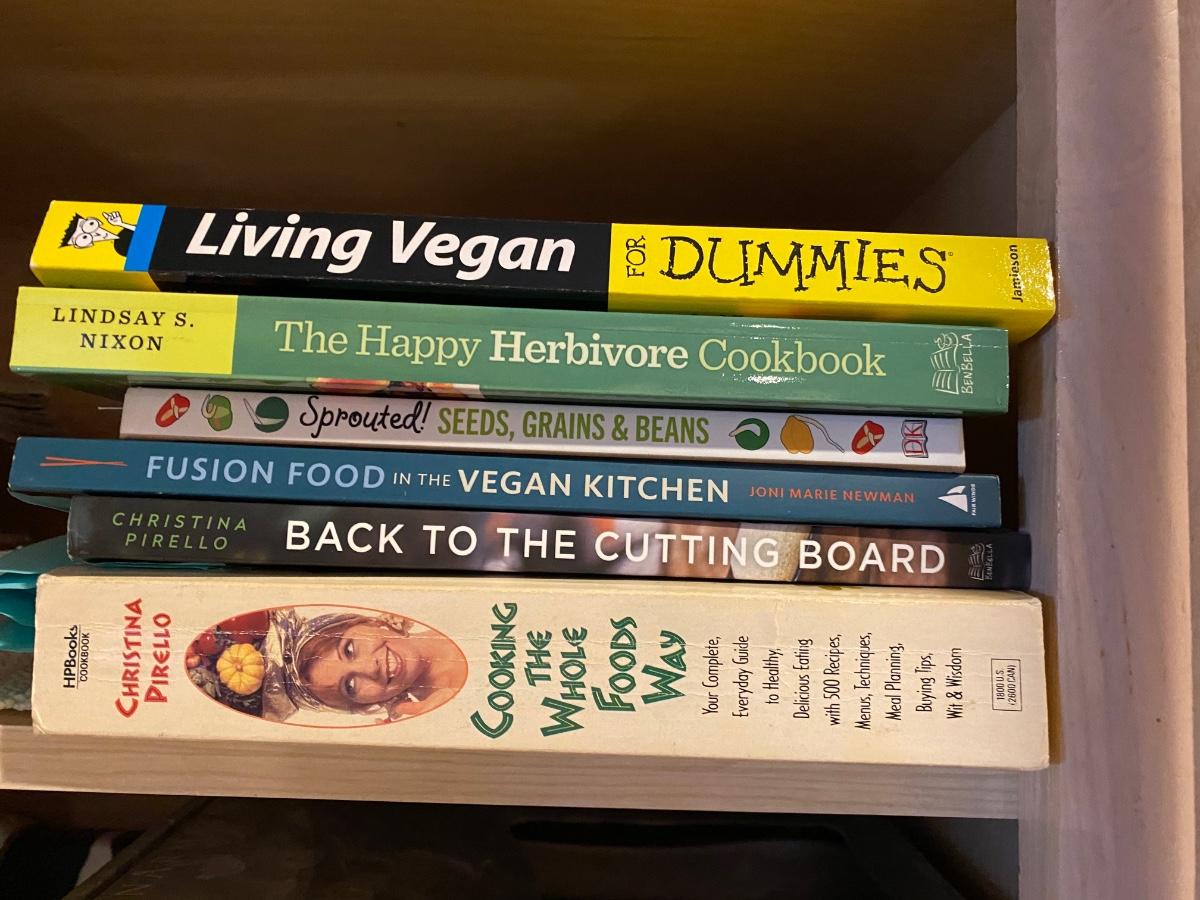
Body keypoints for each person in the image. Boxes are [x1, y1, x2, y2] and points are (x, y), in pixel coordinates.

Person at [263, 609, 468, 724]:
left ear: (369, 623)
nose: (370, 668)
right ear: (366, 704)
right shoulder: (446, 722)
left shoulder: (456, 604)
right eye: (350, 686)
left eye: (349, 649)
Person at [60, 210, 137, 257]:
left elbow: (143, 232)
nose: (96, 233)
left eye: (91, 224)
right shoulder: (118, 249)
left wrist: (121, 224)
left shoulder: (124, 233)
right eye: (84, 237)